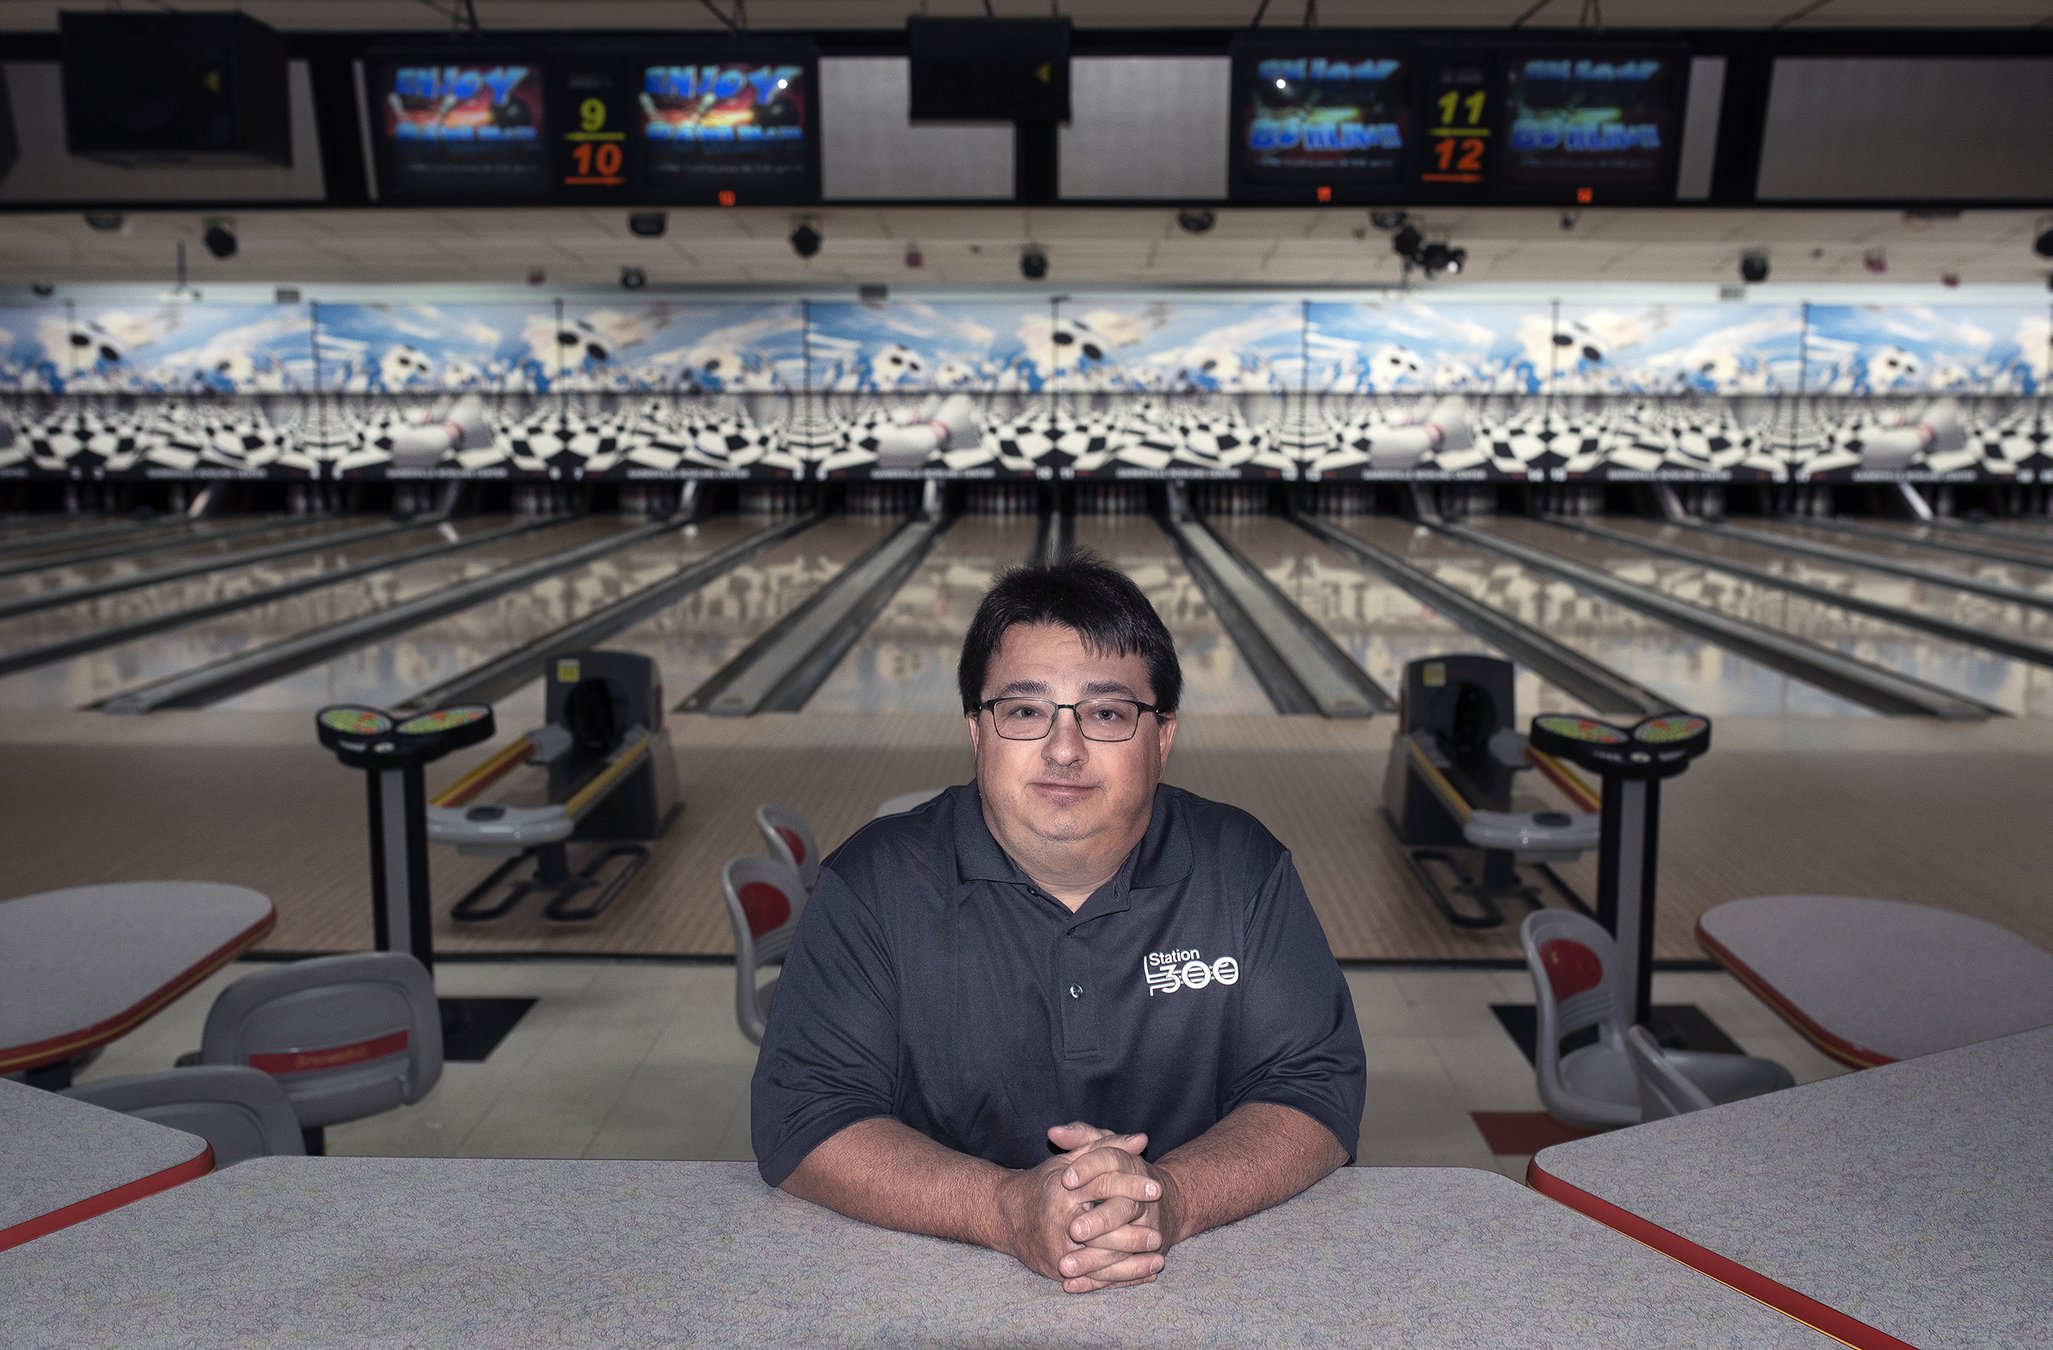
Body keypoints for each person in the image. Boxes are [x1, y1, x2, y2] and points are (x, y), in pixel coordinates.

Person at [751, 551, 1366, 1294]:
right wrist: (1005, 1208)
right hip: (930, 1280)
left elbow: (1314, 1087)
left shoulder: (1242, 867)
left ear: (1162, 737)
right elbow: (804, 1116)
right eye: (1024, 712)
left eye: (1106, 713)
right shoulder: (873, 882)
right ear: (977, 732)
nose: (1064, 750)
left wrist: (1172, 1198)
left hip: (1200, 1277)